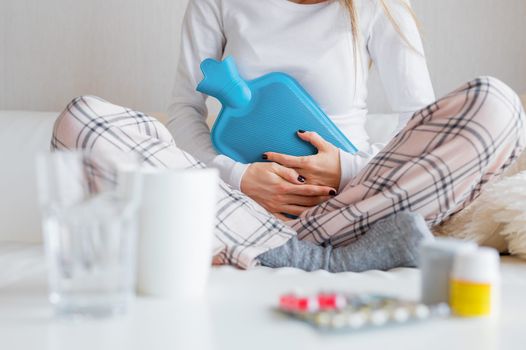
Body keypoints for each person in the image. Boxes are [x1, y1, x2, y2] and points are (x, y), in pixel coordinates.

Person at [51, 0, 525, 271]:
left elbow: (416, 121)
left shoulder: (378, 6)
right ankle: (298, 253)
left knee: (495, 102)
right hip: (236, 207)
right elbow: (183, 111)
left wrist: (346, 169)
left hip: (357, 202)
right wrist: (237, 177)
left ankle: (280, 246)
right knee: (82, 119)